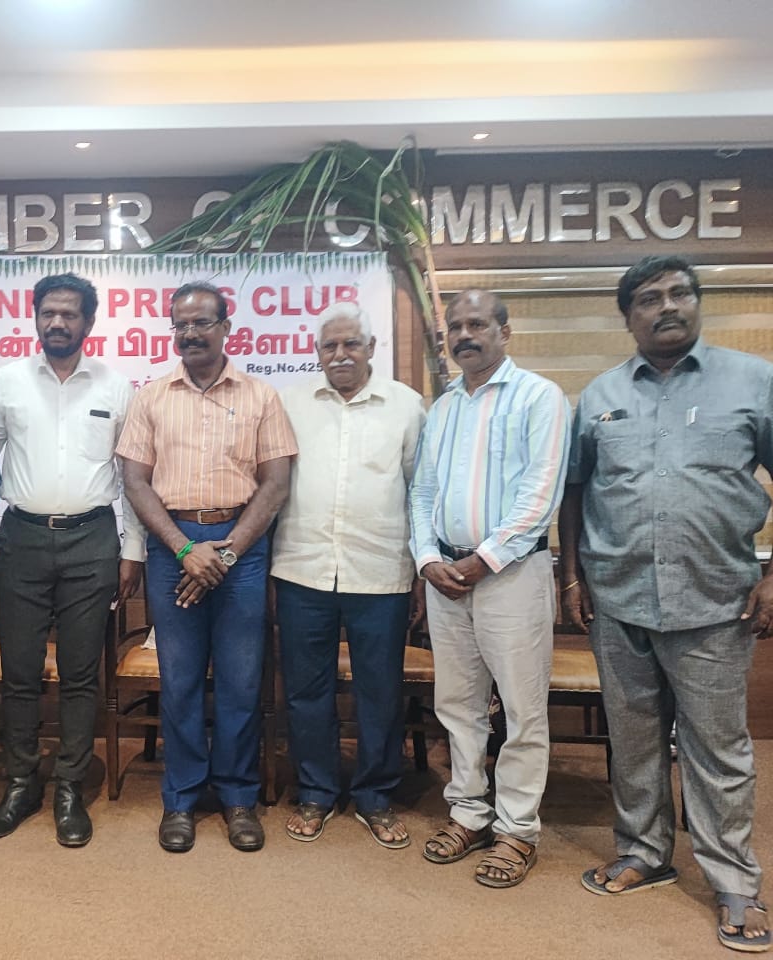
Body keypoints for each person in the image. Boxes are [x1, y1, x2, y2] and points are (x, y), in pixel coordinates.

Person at [559, 255, 773, 952]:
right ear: (629, 318)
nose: (668, 306)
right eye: (649, 299)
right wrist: (573, 577)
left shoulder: (753, 380)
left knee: (718, 748)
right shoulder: (600, 394)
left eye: (680, 293)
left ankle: (734, 880)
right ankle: (644, 853)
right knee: (634, 740)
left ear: (697, 302)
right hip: (618, 597)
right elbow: (576, 490)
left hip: (715, 599)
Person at [116, 280, 297, 853]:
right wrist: (183, 550)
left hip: (240, 546)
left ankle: (239, 796)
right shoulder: (151, 397)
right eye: (181, 324)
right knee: (181, 680)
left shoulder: (261, 396)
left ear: (226, 328)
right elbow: (135, 482)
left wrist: (227, 552)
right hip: (174, 547)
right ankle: (182, 798)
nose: (190, 333)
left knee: (242, 681)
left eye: (202, 323)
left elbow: (276, 484)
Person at [409, 288, 569, 888]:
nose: (464, 335)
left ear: (505, 331)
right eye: (456, 327)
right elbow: (422, 493)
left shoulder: (539, 397)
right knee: (458, 705)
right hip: (445, 579)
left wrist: (483, 560)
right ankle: (469, 813)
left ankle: (517, 829)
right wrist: (427, 559)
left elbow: (540, 494)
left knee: (523, 710)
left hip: (511, 576)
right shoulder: (444, 407)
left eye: (477, 324)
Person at [0, 273, 146, 847]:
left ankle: (70, 787)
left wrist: (132, 548)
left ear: (88, 322)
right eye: (48, 312)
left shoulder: (116, 388)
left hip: (92, 541)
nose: (57, 322)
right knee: (20, 671)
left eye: (69, 314)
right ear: (35, 317)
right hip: (22, 538)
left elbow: (131, 477)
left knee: (79, 672)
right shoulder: (6, 381)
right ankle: (21, 783)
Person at [272, 301, 425, 847]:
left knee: (379, 691)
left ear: (371, 348)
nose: (340, 354)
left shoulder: (406, 406)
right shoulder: (290, 404)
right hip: (302, 569)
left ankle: (375, 795)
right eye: (329, 346)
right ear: (317, 352)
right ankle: (316, 791)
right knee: (306, 690)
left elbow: (420, 492)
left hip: (380, 572)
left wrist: (420, 571)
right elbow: (272, 484)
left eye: (351, 344)